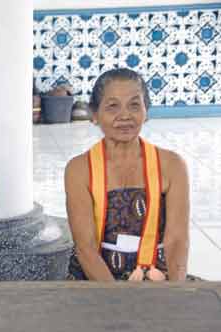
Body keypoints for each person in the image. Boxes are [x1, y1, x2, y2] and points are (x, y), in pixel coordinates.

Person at [65, 68, 190, 281]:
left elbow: (177, 239)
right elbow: (85, 247)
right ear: (94, 115)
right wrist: (117, 300)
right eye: (112, 106)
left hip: (156, 274)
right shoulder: (79, 169)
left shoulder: (172, 165)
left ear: (146, 111)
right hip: (97, 278)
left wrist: (175, 292)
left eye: (134, 105)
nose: (125, 115)